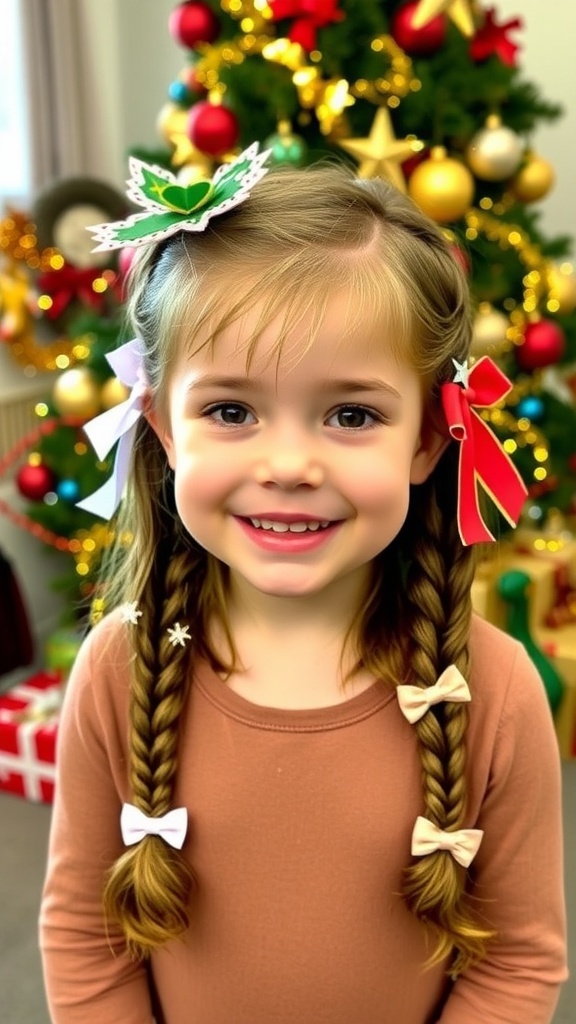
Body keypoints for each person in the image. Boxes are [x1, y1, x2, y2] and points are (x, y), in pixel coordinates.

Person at [40, 145, 567, 1024]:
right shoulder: (117, 669)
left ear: (430, 441)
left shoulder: (498, 691)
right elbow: (86, 938)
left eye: (351, 414)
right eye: (232, 411)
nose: (288, 465)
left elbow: (516, 963)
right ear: (164, 427)